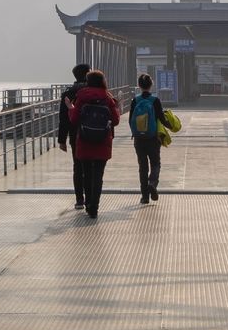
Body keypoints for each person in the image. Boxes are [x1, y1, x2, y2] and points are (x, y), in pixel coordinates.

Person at [68, 70, 120, 219]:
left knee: (86, 173)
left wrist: (70, 109)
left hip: (84, 140)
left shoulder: (82, 97)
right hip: (103, 141)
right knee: (98, 175)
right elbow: (115, 121)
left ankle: (88, 202)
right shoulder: (107, 97)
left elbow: (74, 119)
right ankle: (94, 207)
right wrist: (116, 106)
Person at [129, 73, 169, 204]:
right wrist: (171, 125)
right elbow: (162, 119)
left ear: (139, 85)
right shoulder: (155, 100)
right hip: (153, 138)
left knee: (143, 166)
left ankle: (144, 196)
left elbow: (130, 120)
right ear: (151, 85)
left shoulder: (135, 100)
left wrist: (136, 133)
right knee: (156, 163)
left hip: (139, 139)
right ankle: (152, 183)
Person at [57, 63, 92, 209]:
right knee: (91, 166)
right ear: (88, 74)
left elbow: (63, 118)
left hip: (74, 134)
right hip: (92, 133)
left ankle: (79, 200)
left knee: (77, 166)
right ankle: (90, 198)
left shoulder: (68, 94)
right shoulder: (93, 91)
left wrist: (61, 140)